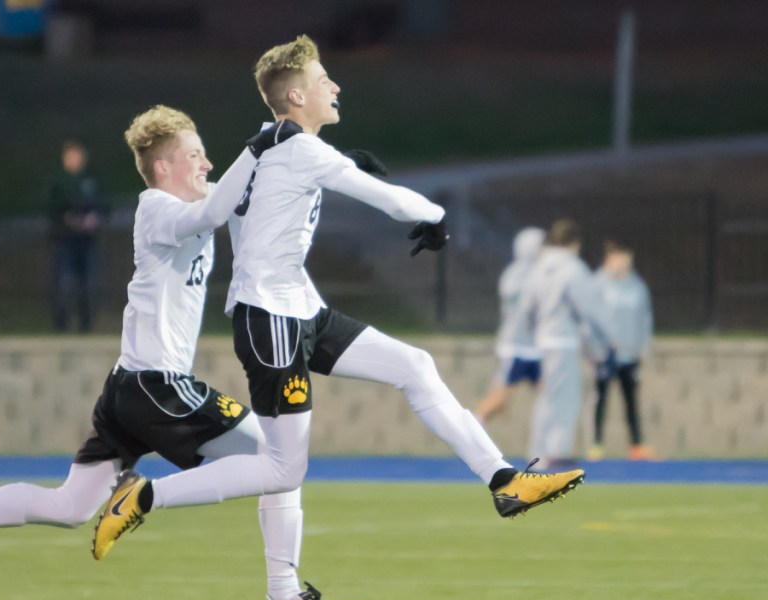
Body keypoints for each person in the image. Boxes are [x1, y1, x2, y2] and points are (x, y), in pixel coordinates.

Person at [94, 35, 588, 564]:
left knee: (415, 366)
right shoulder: (298, 149)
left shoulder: (273, 142)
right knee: (284, 469)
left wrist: (339, 163)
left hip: (303, 312)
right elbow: (389, 199)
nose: (335, 85)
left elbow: (256, 192)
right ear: (298, 98)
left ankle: (505, 481)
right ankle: (146, 495)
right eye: (322, 78)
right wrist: (436, 217)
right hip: (271, 321)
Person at [0, 105, 361, 600]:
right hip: (157, 386)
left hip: (127, 388)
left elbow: (256, 201)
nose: (207, 164)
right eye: (194, 155)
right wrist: (255, 148)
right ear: (163, 167)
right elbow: (213, 213)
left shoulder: (202, 198)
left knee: (71, 505)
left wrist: (331, 169)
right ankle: (282, 595)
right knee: (281, 460)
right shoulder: (156, 206)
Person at [512, 218, 616, 470]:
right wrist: (610, 338)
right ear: (574, 243)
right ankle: (553, 451)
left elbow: (526, 307)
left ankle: (539, 453)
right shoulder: (572, 268)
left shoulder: (538, 268)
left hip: (542, 340)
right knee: (565, 399)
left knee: (546, 397)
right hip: (563, 340)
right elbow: (590, 308)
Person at [588, 240, 653, 461]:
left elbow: (645, 319)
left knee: (631, 400)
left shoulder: (637, 286)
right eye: (618, 257)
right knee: (601, 400)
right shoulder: (597, 284)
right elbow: (589, 319)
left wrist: (643, 347)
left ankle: (636, 445)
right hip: (605, 353)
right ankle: (596, 444)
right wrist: (593, 348)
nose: (622, 262)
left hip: (629, 354)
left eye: (626, 257)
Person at [474, 226, 545, 423]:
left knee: (552, 397)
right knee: (500, 401)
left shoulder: (540, 273)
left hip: (537, 348)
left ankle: (550, 449)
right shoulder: (515, 275)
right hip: (516, 348)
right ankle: (470, 427)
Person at [48, 139, 109, 332]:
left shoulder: (92, 180)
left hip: (87, 241)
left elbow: (104, 206)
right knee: (64, 283)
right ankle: (61, 324)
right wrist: (67, 219)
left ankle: (86, 324)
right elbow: (51, 207)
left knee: (88, 284)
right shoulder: (59, 182)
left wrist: (95, 218)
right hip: (65, 240)